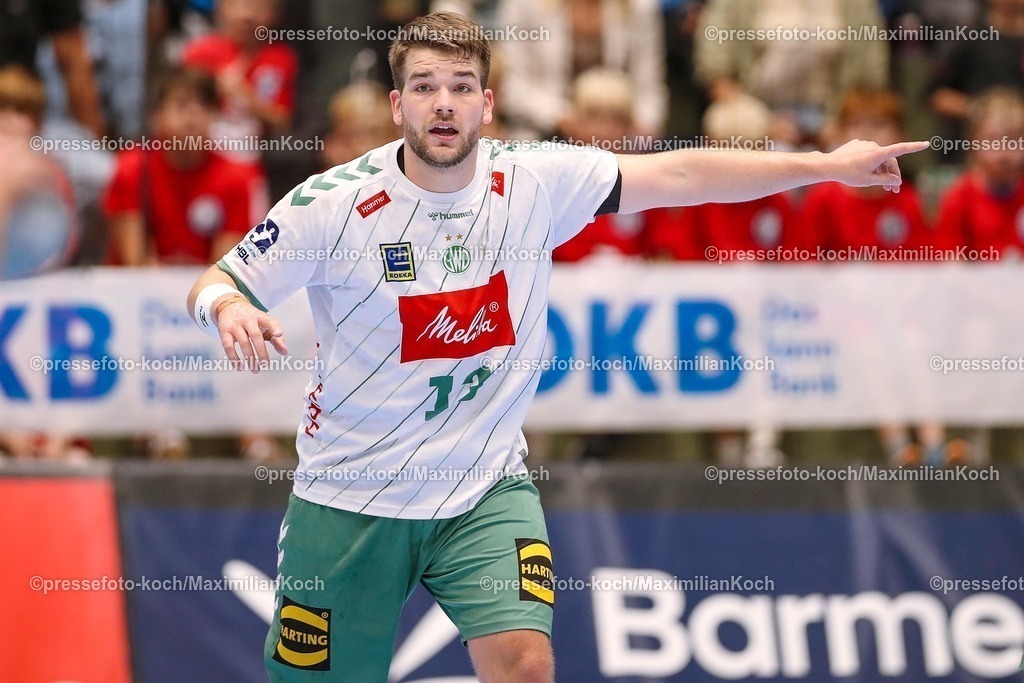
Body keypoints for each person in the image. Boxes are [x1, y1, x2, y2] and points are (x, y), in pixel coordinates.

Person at [185, 12, 926, 681]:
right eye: (425, 86)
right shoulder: (334, 205)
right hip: (350, 494)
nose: (443, 102)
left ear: (488, 103)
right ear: (396, 104)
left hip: (481, 487)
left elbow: (682, 172)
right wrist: (227, 308)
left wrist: (824, 164)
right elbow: (218, 279)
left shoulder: (534, 178)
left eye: (461, 86)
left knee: (524, 662)